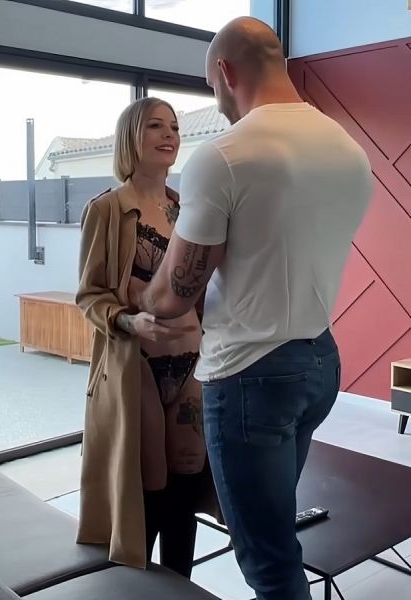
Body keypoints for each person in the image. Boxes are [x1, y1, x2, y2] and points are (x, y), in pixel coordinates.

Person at [130, 17, 373, 600]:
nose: (216, 100)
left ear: (225, 71)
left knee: (268, 562)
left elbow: (174, 295)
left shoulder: (224, 155)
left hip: (250, 374)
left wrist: (141, 298)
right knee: (275, 526)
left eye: (211, 87)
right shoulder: (348, 150)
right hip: (320, 361)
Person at [75, 96, 218, 578]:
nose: (169, 134)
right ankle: (134, 586)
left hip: (192, 360)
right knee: (148, 489)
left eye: (174, 127)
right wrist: (128, 321)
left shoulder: (187, 209)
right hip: (137, 365)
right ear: (130, 138)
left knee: (187, 484)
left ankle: (180, 586)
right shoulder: (107, 209)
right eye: (156, 125)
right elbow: (88, 295)